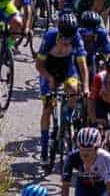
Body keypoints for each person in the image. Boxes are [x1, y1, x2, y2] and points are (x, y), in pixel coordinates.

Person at [34, 12, 87, 143]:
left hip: (67, 69)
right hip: (49, 69)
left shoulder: (76, 38)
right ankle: (45, 147)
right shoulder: (50, 36)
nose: (67, 41)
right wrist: (50, 78)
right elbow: (39, 65)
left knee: (74, 89)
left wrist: (86, 87)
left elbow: (82, 65)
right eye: (64, 37)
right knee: (47, 108)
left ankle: (66, 119)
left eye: (70, 38)